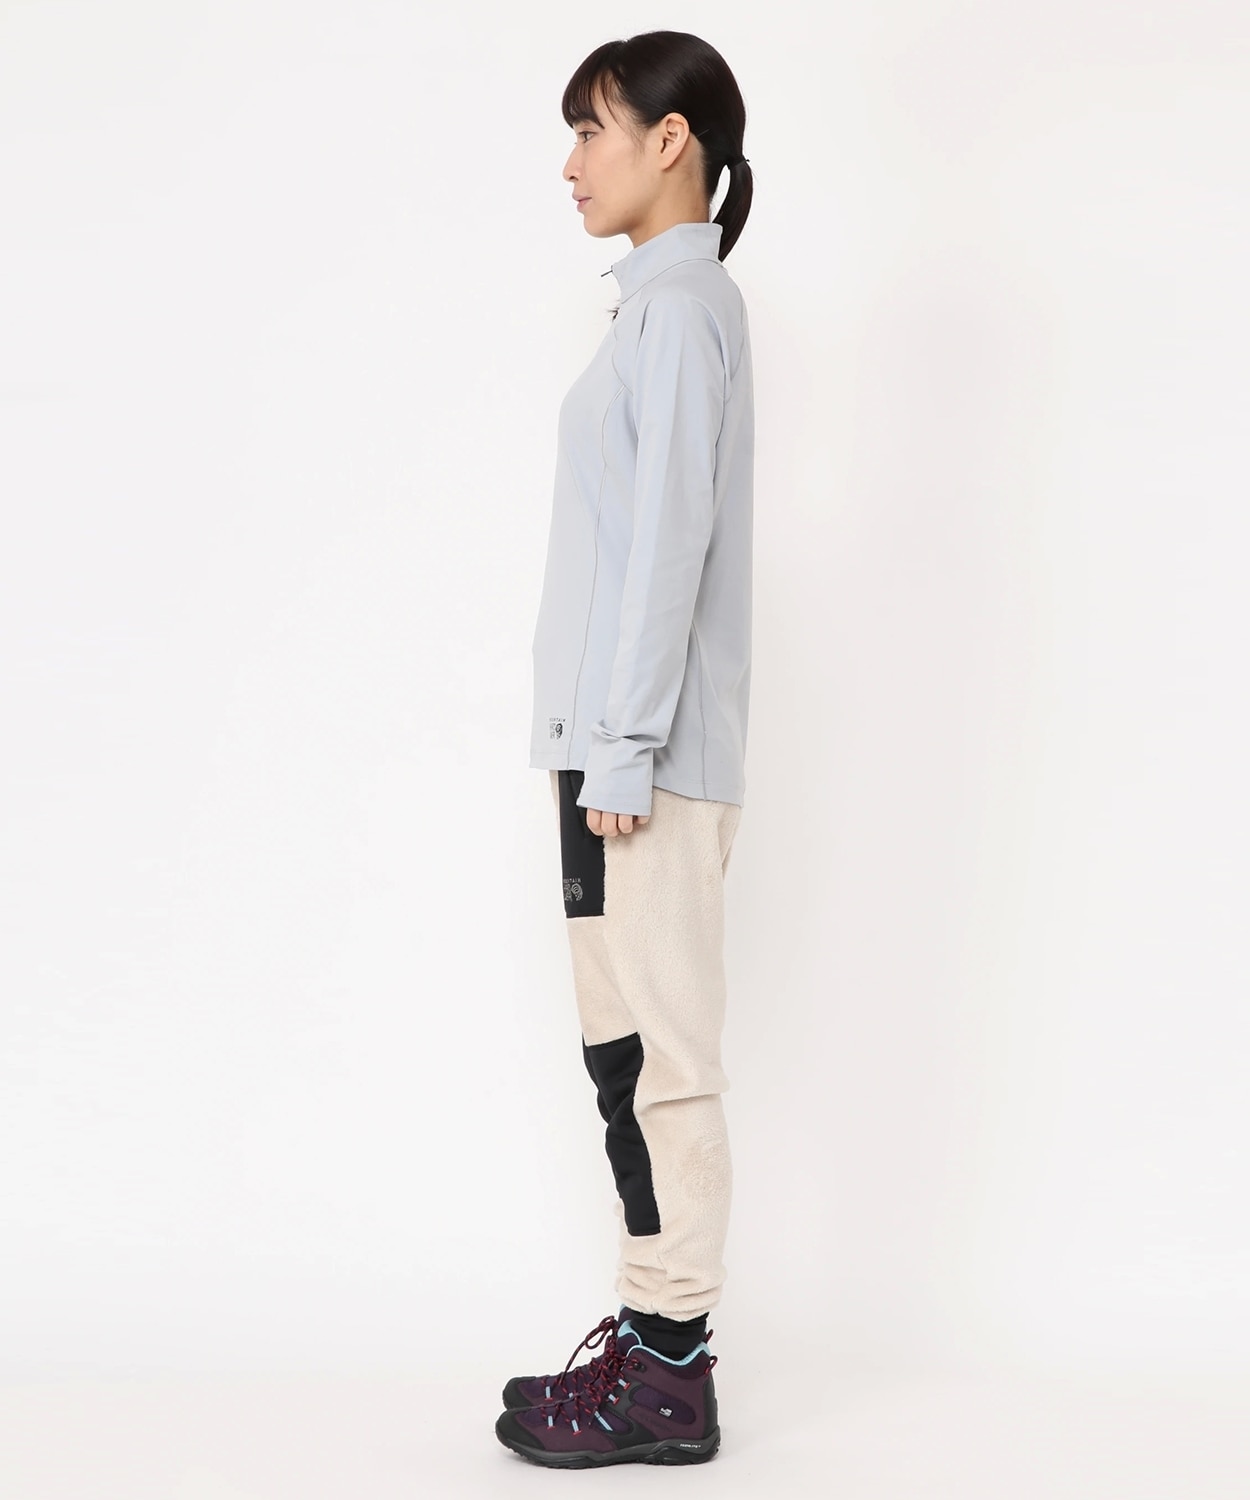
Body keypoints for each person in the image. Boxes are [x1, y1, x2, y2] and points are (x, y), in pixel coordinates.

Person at [495, 30, 755, 1469]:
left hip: (634, 762)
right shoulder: (656, 310)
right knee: (625, 1056)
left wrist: (624, 747)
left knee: (660, 1061)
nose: (570, 161)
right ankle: (656, 1350)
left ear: (671, 141)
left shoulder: (682, 310)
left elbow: (667, 547)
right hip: (612, 753)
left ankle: (666, 1374)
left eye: (592, 128)